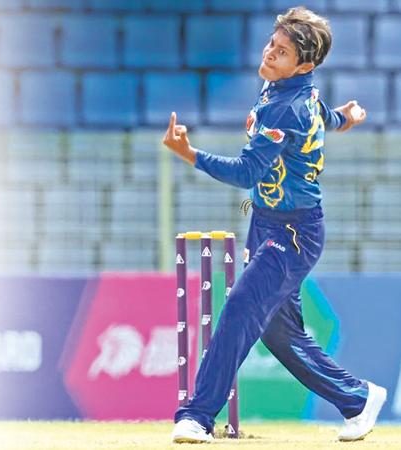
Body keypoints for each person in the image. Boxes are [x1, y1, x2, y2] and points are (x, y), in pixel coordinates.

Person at [162, 7, 385, 443]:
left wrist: (190, 154)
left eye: (281, 52)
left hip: (294, 235)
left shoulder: (288, 107)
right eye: (271, 44)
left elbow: (247, 172)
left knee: (241, 309)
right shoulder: (287, 90)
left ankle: (197, 416)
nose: (269, 54)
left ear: (304, 65)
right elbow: (322, 114)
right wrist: (346, 118)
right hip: (266, 224)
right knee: (281, 335)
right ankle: (358, 399)